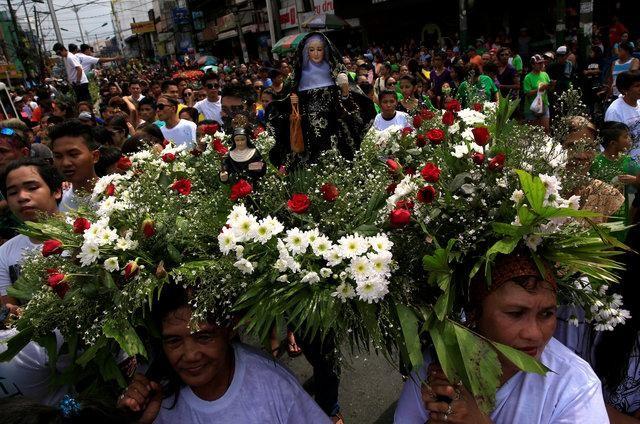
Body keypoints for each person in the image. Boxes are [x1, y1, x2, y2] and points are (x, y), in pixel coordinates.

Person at [394, 253, 609, 423]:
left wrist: (478, 421)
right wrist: (443, 412)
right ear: (474, 313)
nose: (534, 334)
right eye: (515, 313)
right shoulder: (439, 365)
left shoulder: (575, 386)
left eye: (546, 314)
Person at [117, 284, 331, 423]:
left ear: (229, 330)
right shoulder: (153, 401)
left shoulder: (273, 385)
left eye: (204, 337)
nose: (190, 355)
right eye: (174, 341)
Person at [267, 32, 375, 167]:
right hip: (307, 133)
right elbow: (282, 104)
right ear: (306, 52)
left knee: (336, 165)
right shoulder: (296, 77)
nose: (316, 53)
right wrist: (292, 102)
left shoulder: (336, 73)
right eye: (311, 50)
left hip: (333, 129)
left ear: (326, 50)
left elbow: (354, 106)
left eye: (319, 49)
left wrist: (345, 90)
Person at [0, 158, 63, 305]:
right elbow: (9, 310)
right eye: (13, 192)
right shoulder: (4, 253)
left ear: (57, 191)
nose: (22, 197)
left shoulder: (89, 234)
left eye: (32, 188)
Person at [590, 122, 640, 237]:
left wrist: (635, 180)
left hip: (620, 218)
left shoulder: (628, 162)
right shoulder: (595, 162)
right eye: (625, 137)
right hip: (598, 217)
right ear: (613, 143)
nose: (630, 139)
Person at [49, 120, 100, 213]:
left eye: (73, 154)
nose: (65, 163)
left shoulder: (120, 193)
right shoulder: (58, 202)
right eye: (58, 156)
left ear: (95, 156)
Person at [605, 70, 640, 160]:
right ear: (625, 90)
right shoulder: (614, 111)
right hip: (628, 162)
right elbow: (611, 144)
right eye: (637, 86)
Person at [523, 55, 552, 132]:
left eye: (542, 63)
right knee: (534, 133)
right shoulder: (528, 77)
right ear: (533, 65)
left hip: (544, 105)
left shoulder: (545, 74)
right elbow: (527, 93)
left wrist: (551, 85)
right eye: (539, 63)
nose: (541, 65)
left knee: (546, 130)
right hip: (532, 107)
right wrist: (539, 89)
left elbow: (549, 89)